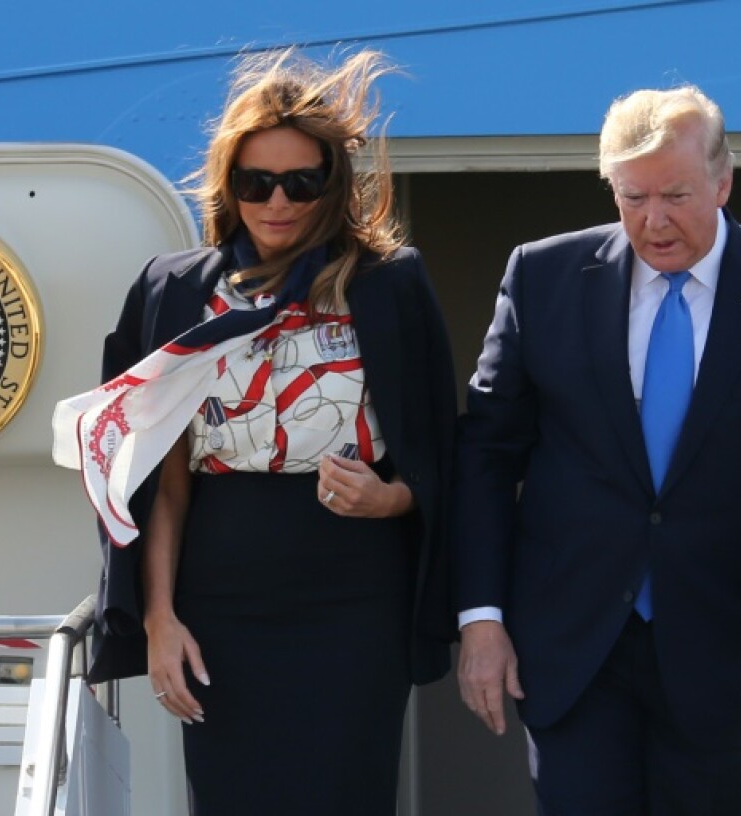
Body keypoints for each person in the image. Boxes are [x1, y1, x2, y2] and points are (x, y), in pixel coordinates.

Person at [453, 85, 741, 814]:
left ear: (723, 182)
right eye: (632, 197)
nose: (652, 221)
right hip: (575, 651)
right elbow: (487, 455)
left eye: (676, 195)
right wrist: (482, 618)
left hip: (728, 650)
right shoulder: (543, 277)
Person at [52, 48, 456, 815]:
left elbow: (442, 450)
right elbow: (157, 476)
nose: (278, 201)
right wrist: (161, 617)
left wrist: (393, 499)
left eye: (301, 182)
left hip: (355, 592)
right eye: (255, 182)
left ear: (332, 186)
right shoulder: (175, 291)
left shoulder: (389, 285)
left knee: (346, 795)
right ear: (228, 185)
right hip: (219, 595)